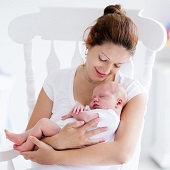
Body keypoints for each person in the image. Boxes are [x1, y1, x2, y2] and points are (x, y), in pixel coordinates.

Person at [19, 4, 147, 170]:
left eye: (117, 65)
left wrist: (56, 155)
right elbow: (29, 144)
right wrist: (60, 140)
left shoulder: (132, 92)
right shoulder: (57, 80)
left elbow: (121, 153)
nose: (106, 70)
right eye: (102, 58)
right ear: (89, 42)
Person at [5, 82, 127, 152]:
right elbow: (86, 113)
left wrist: (77, 113)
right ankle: (23, 139)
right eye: (93, 97)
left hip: (67, 133)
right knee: (42, 125)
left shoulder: (110, 116)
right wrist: (80, 106)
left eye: (102, 96)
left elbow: (86, 117)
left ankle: (26, 143)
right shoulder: (99, 111)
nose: (95, 99)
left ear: (118, 102)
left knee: (43, 123)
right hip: (66, 133)